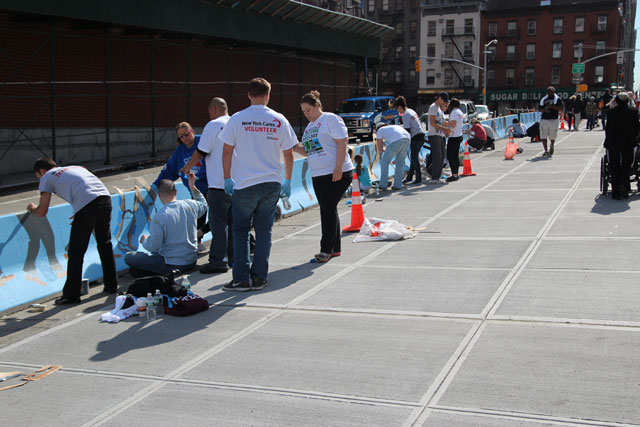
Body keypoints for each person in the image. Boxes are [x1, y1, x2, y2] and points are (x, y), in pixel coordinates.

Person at [220, 77, 296, 289]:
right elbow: (288, 154)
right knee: (264, 231)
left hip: (245, 184)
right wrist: (287, 181)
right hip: (271, 183)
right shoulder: (279, 120)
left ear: (249, 95)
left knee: (241, 230)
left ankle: (241, 278)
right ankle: (260, 277)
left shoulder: (237, 119)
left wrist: (227, 178)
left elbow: (226, 151)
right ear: (268, 95)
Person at [28, 158, 118, 305]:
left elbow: (42, 211)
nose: (40, 179)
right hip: (105, 198)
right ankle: (111, 285)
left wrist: (31, 209)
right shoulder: (75, 167)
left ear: (42, 171)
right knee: (105, 244)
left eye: (38, 176)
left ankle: (71, 295)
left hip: (88, 205)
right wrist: (79, 210)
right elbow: (85, 187)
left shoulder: (47, 176)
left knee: (76, 252)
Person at [293, 90, 353, 263]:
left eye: (308, 110)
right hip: (318, 174)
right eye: (303, 112)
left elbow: (342, 142)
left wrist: (338, 167)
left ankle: (325, 249)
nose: (306, 114)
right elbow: (309, 151)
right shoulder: (310, 127)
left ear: (317, 106)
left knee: (327, 208)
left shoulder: (330, 119)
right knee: (329, 208)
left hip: (335, 171)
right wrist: (295, 147)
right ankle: (335, 248)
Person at [179, 98, 234, 275]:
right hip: (238, 183)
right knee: (235, 224)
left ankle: (218, 261)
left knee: (219, 223)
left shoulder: (213, 125)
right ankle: (234, 258)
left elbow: (201, 151)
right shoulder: (237, 122)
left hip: (218, 183)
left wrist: (187, 167)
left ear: (214, 109)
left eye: (209, 111)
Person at [124, 174, 207, 275]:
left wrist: (143, 240)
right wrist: (192, 186)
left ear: (159, 195)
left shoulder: (160, 216)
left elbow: (152, 246)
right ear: (176, 192)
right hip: (191, 260)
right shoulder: (190, 205)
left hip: (172, 263)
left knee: (129, 257)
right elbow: (204, 204)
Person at [154, 122, 209, 252]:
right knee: (198, 215)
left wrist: (201, 175)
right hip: (195, 189)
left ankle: (247, 241)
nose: (184, 138)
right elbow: (170, 169)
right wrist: (156, 184)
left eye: (186, 134)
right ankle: (197, 241)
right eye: (181, 136)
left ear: (192, 131)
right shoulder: (180, 151)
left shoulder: (203, 142)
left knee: (221, 215)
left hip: (211, 185)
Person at [604, 92, 640, 200]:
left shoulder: (611, 112)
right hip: (628, 143)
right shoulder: (633, 112)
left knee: (614, 166)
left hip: (613, 142)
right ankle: (624, 185)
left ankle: (616, 191)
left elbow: (608, 128)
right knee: (626, 165)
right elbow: (637, 128)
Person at [394, 96, 425, 185]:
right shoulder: (411, 111)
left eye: (397, 109)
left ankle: (418, 178)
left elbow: (407, 131)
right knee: (413, 157)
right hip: (421, 135)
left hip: (416, 137)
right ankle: (409, 177)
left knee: (414, 158)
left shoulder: (406, 115)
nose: (398, 111)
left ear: (400, 107)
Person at [375, 122, 410, 190]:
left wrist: (384, 149)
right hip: (407, 138)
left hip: (396, 141)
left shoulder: (380, 130)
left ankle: (383, 184)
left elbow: (380, 148)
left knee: (385, 162)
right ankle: (398, 185)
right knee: (399, 163)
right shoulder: (392, 127)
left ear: (377, 128)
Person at [426, 92, 451, 183]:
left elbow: (439, 121)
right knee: (438, 156)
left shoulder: (438, 109)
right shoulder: (433, 107)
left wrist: (445, 126)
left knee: (441, 156)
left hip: (439, 134)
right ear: (439, 98)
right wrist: (444, 128)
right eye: (443, 101)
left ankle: (434, 173)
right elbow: (432, 122)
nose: (444, 103)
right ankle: (435, 177)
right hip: (434, 134)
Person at [538, 86, 564, 157]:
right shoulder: (544, 99)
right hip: (544, 119)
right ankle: (546, 150)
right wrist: (545, 110)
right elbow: (539, 109)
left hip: (554, 119)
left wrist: (552, 107)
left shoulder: (557, 99)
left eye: (551, 91)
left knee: (553, 135)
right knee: (543, 135)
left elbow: (560, 108)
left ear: (554, 92)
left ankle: (552, 145)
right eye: (549, 91)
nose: (550, 92)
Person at [445, 98, 464, 182]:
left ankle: (454, 174)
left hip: (453, 136)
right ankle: (456, 173)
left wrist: (446, 122)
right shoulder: (460, 112)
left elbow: (453, 125)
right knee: (455, 156)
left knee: (450, 156)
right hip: (459, 135)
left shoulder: (454, 112)